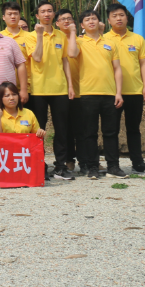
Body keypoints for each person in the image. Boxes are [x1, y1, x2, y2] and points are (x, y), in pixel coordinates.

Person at [68, 9, 124, 179]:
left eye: (94, 18)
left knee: (111, 132)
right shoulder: (79, 42)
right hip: (87, 94)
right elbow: (71, 54)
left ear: (99, 22)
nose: (91, 21)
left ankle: (113, 166)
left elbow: (117, 69)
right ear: (82, 25)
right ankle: (92, 167)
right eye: (87, 19)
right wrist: (72, 32)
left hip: (109, 93)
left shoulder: (110, 43)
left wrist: (119, 93)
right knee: (89, 133)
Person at [24, 0, 75, 180]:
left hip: (60, 89)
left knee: (62, 130)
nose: (47, 14)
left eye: (50, 11)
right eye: (43, 11)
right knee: (39, 130)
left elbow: (65, 61)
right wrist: (39, 36)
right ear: (37, 15)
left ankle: (60, 166)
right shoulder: (30, 36)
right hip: (38, 90)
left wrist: (70, 85)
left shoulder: (61, 35)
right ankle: (40, 165)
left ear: (54, 15)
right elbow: (37, 57)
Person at [103, 3, 145, 175]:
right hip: (111, 92)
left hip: (134, 91)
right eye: (114, 16)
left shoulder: (137, 39)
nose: (118, 18)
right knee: (111, 130)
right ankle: (113, 165)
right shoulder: (103, 39)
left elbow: (144, 63)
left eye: (121, 15)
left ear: (127, 18)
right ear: (108, 20)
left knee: (133, 128)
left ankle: (138, 163)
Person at [56, 9, 84, 174]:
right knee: (65, 128)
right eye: (63, 19)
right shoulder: (55, 38)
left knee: (82, 128)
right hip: (61, 89)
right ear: (57, 23)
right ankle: (68, 159)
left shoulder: (81, 40)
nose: (66, 21)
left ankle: (86, 160)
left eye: (69, 18)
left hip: (80, 89)